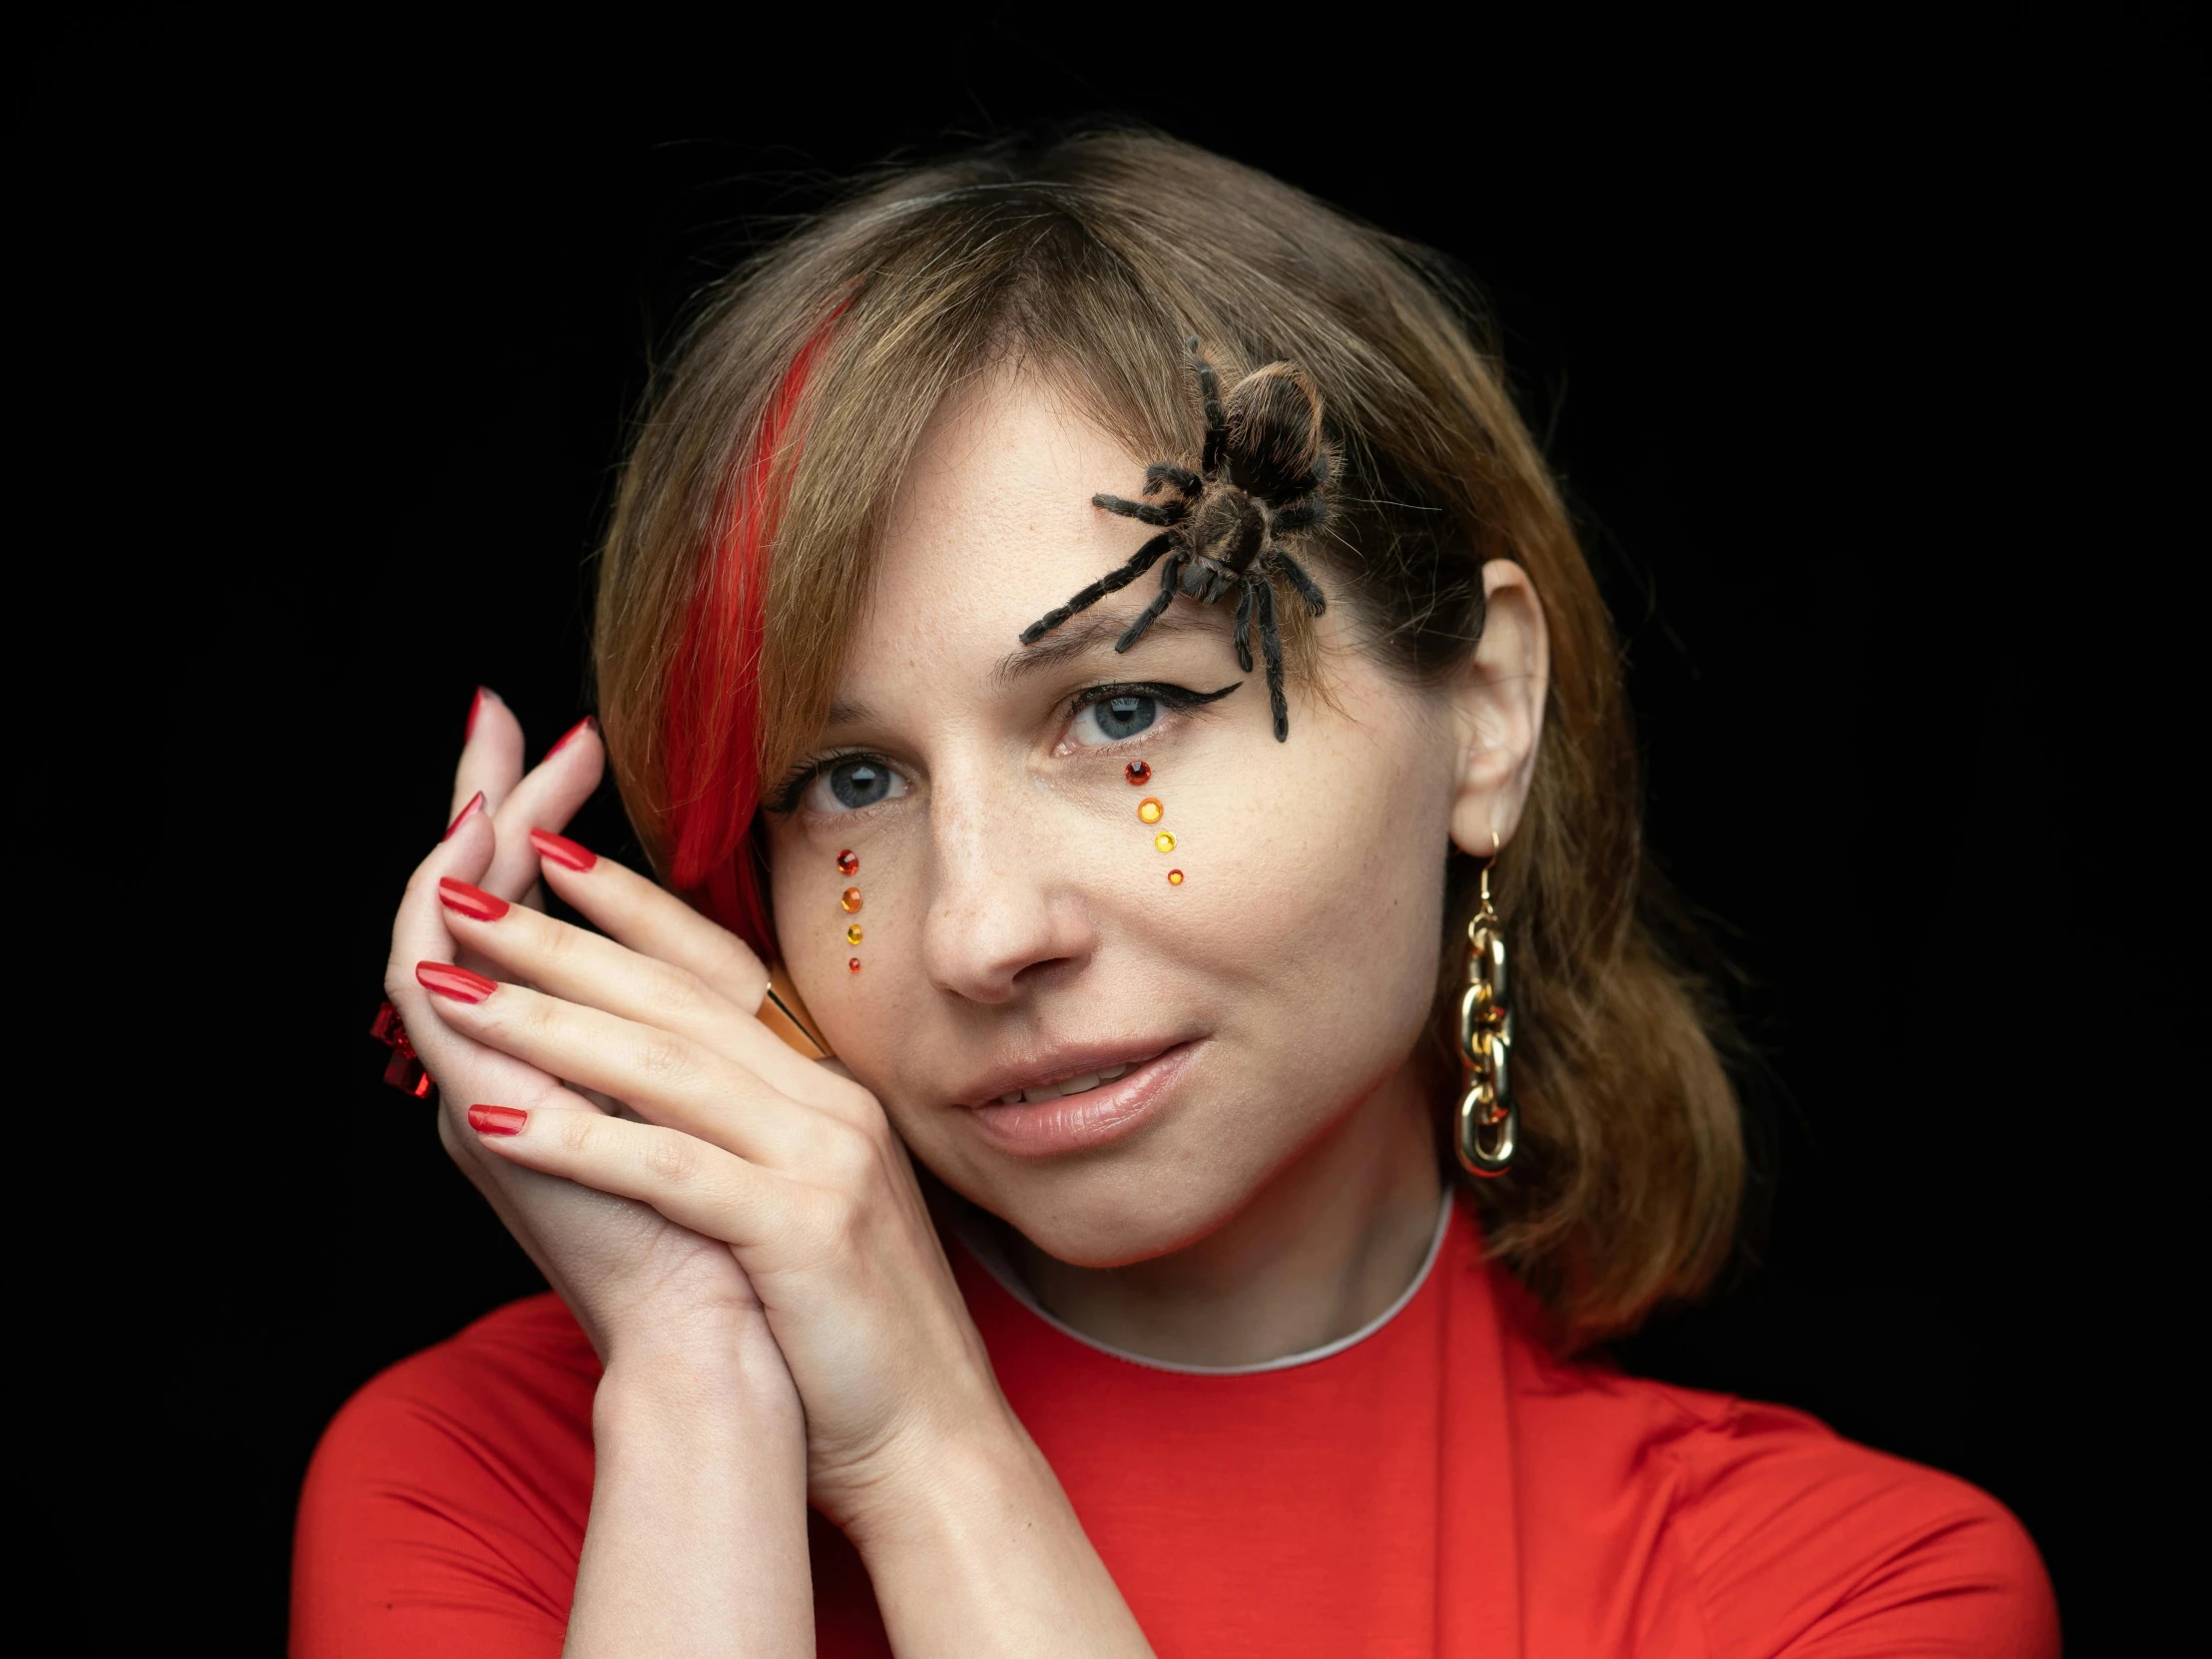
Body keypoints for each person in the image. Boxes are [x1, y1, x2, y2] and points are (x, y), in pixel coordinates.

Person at [292, 129, 2057, 1656]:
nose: (981, 932)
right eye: (849, 781)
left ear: (1487, 715)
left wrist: (930, 1452)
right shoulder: (496, 1483)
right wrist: (698, 1384)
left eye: (1124, 709)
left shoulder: (1843, 1594)